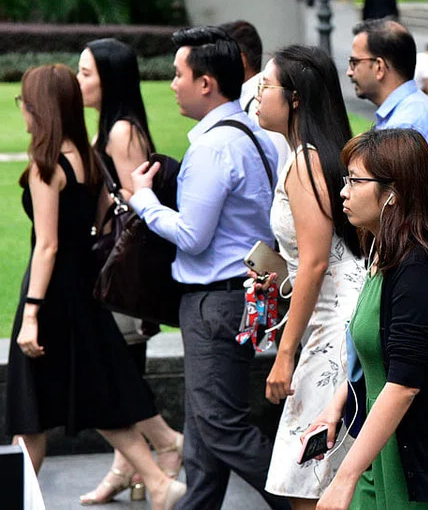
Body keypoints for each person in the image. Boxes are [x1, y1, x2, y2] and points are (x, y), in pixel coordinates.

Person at [6, 64, 185, 510]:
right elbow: (101, 220)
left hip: (51, 293)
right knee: (94, 390)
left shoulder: (47, 166)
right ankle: (157, 476)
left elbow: (46, 245)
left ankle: (14, 498)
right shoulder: (86, 158)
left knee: (32, 408)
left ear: (40, 108)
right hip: (83, 286)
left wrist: (31, 313)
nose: (22, 110)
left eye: (25, 102)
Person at [128, 26, 291, 510]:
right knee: (203, 436)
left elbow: (193, 237)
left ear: (205, 83)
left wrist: (143, 201)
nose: (172, 84)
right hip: (241, 295)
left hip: (214, 302)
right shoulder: (254, 134)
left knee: (221, 427)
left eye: (178, 74)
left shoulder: (213, 147)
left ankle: (305, 502)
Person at [305, 128, 428, 509]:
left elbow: (403, 384)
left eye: (355, 181)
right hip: (384, 451)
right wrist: (335, 408)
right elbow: (376, 354)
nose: (344, 191)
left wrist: (344, 478)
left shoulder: (419, 267)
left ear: (393, 193)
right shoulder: (382, 250)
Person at [251, 45, 366, 508]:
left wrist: (283, 356)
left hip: (334, 327)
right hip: (335, 318)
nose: (258, 96)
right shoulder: (311, 155)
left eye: (265, 86)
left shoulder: (306, 161)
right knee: (318, 476)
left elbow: (317, 263)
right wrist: (281, 273)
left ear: (295, 98)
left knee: (307, 478)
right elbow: (316, 255)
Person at [76, 39, 185, 504]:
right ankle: (128, 468)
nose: (78, 81)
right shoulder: (111, 126)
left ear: (110, 79)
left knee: (119, 372)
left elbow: (138, 203)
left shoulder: (122, 132)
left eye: (86, 73)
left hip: (122, 267)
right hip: (109, 263)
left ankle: (164, 448)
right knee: (125, 370)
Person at [347, 19, 428, 212]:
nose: (349, 72)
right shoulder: (408, 109)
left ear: (379, 67)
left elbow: (396, 208)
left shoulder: (406, 123)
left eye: (354, 63)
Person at [222, 19, 290, 171]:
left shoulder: (260, 105)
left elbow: (276, 168)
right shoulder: (249, 100)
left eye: (219, 59)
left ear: (241, 60)